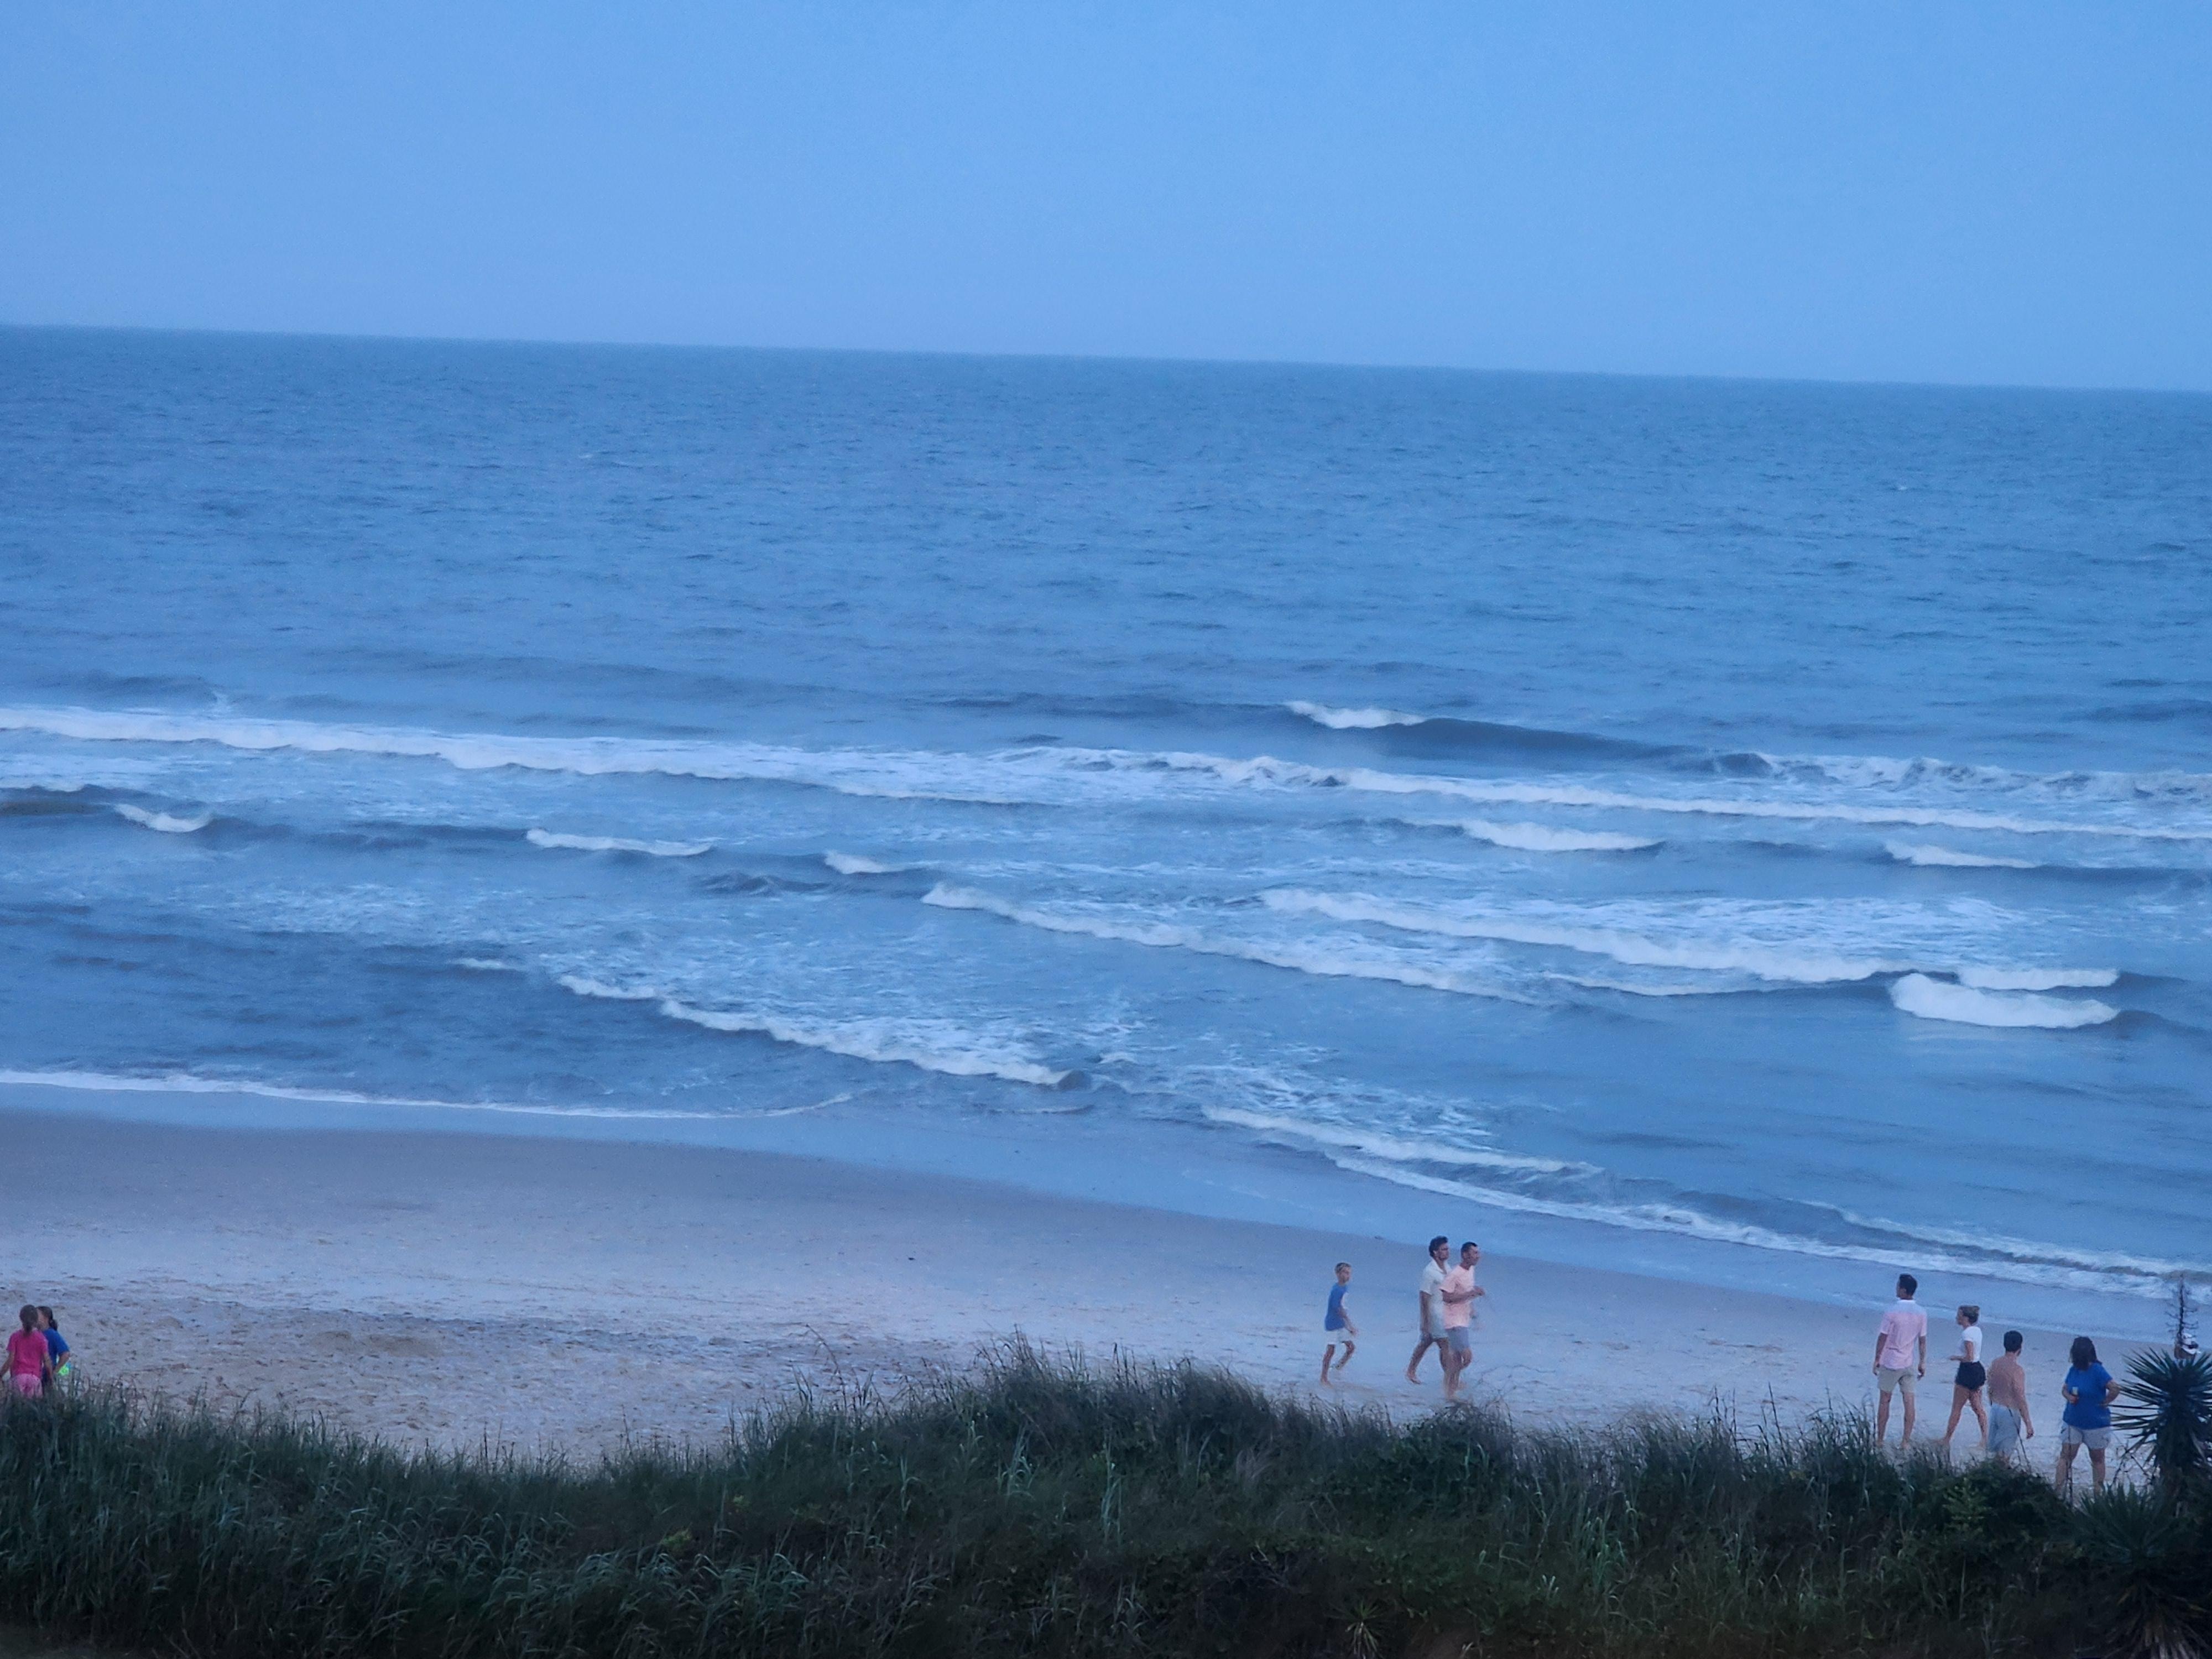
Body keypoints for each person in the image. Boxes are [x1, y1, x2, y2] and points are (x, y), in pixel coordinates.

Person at [2057, 1335, 2119, 1495]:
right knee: (2066, 1457)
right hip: (2073, 1421)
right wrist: (2069, 1397)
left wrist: (2105, 1402)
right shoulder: (2074, 1369)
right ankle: (2057, 1490)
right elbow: (2064, 1388)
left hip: (2096, 1424)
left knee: (2097, 1459)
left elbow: (2115, 1388)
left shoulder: (2098, 1370)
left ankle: (2098, 1493)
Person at [1871, 1272, 1928, 1445]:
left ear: (1903, 1290)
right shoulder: (1921, 1312)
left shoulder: (1892, 1311)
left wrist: (1877, 1358)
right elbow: (1922, 1340)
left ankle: (1880, 1439)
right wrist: (1922, 1361)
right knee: (1909, 1401)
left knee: (1885, 1401)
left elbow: (1883, 1337)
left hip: (1891, 1361)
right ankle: (1905, 1441)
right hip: (1909, 1361)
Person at [1437, 1241, 1485, 1401]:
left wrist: (1473, 1310)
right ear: (1465, 1255)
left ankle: (1451, 1387)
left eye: (1478, 1253)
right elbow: (1447, 1297)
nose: (1478, 1256)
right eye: (1475, 1253)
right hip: (1453, 1321)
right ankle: (1449, 1382)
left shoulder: (1471, 1270)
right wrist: (1470, 1294)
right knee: (1466, 1356)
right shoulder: (1455, 1274)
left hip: (1463, 1319)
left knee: (1458, 1357)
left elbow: (1467, 1291)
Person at [1405, 1237, 1452, 1383]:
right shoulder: (1430, 1271)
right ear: (1435, 1252)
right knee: (1445, 1344)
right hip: (1434, 1313)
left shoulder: (1447, 1268)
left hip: (1444, 1310)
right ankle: (1450, 1377)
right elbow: (1424, 1296)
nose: (1447, 1252)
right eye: (1444, 1249)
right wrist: (1424, 1320)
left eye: (1447, 1249)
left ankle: (1411, 1370)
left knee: (1426, 1341)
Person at [1942, 1304, 1987, 1452]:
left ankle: (1947, 1439)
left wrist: (1956, 1358)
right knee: (1978, 1407)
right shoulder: (1978, 1331)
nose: (1957, 1317)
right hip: (1978, 1370)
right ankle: (1985, 1438)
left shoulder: (1967, 1334)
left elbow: (1969, 1356)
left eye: (1960, 1315)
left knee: (1957, 1408)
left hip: (1968, 1371)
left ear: (1966, 1318)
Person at [1985, 1330, 2033, 1462]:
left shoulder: (1996, 1363)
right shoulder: (2017, 1370)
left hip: (1995, 1408)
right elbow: (2020, 1397)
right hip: (2009, 1412)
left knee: (1994, 1451)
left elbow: (1990, 1385)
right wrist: (2028, 1423)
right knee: (2004, 1455)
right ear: (2020, 1347)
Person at [1321, 1262, 1358, 1385]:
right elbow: (1338, 1309)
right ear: (1338, 1274)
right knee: (1330, 1351)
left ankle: (1338, 1368)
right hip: (1333, 1324)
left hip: (1341, 1324)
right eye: (1345, 1273)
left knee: (1351, 1348)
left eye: (1349, 1273)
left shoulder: (1344, 1288)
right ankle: (1324, 1377)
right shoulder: (1336, 1290)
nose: (1348, 1276)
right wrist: (1350, 1325)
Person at [6, 1306, 49, 1400]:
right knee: (33, 1409)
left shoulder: (15, 1337)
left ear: (21, 1318)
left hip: (18, 1376)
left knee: (16, 1407)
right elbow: (47, 1361)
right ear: (36, 1320)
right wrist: (51, 1378)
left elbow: (11, 1359)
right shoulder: (41, 1339)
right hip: (35, 1378)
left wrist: (1, 1374)